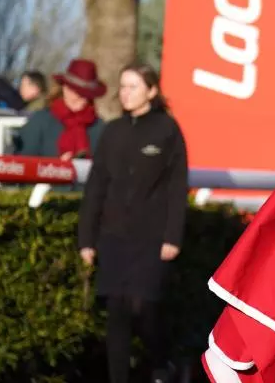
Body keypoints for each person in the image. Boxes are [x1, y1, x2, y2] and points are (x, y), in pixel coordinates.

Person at [78, 63, 188, 383]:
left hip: (151, 237)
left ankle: (161, 363)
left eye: (133, 87)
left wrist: (172, 237)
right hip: (113, 236)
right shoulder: (112, 131)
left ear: (151, 91)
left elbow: (177, 189)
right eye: (122, 86)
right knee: (116, 314)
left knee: (145, 309)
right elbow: (96, 186)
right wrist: (86, 238)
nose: (125, 93)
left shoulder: (167, 130)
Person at [14, 58, 107, 161]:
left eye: (85, 94)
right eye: (74, 90)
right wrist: (56, 168)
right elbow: (22, 164)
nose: (78, 97)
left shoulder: (99, 127)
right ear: (64, 88)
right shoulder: (41, 121)